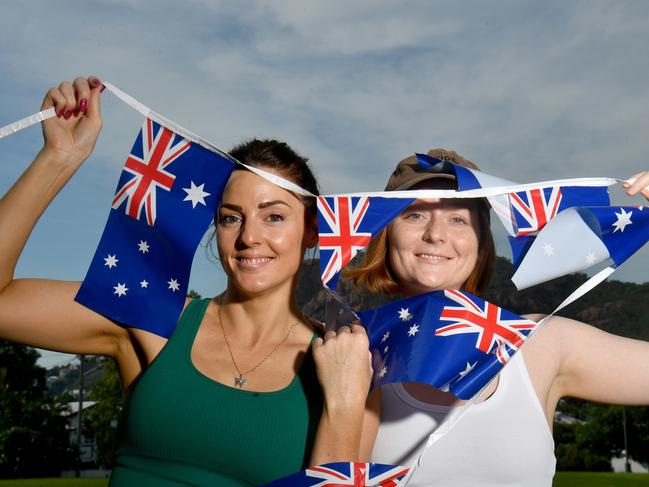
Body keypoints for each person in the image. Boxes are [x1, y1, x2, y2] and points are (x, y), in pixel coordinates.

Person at [0, 76, 371, 485]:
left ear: (312, 231)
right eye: (231, 217)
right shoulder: (155, 318)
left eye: (275, 216)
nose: (249, 237)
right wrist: (58, 157)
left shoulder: (345, 366)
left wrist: (344, 404)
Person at [346, 149, 649, 486]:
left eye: (458, 218)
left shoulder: (542, 344)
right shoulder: (349, 354)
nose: (435, 234)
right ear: (387, 234)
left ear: (481, 242)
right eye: (415, 215)